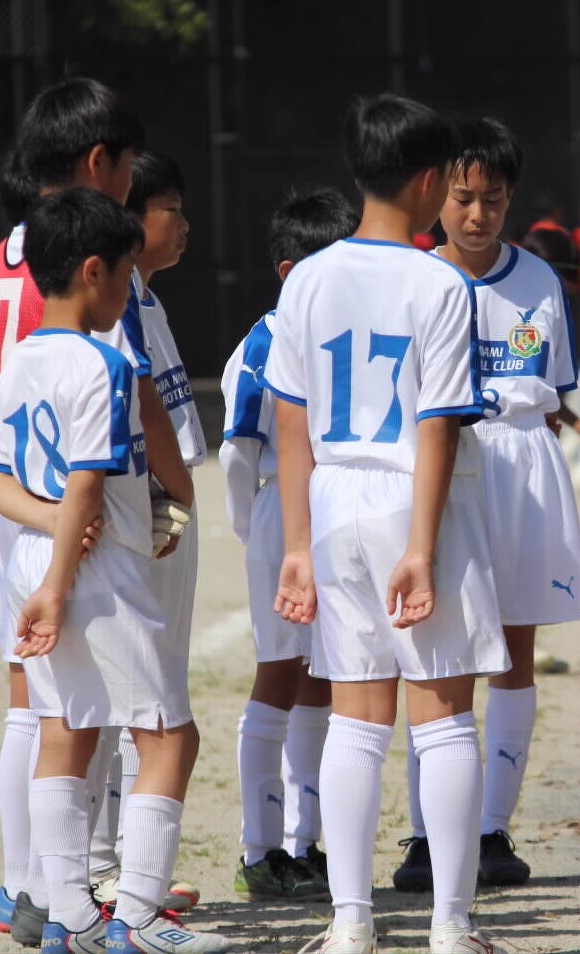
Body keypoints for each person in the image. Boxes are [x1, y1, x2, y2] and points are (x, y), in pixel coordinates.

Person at [262, 92, 511, 954]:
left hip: (333, 501)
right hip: (412, 498)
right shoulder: (440, 281)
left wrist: (297, 545)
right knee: (443, 719)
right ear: (430, 181)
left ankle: (349, 923)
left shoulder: (308, 278)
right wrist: (423, 547)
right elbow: (437, 423)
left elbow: (289, 422)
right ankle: (450, 925)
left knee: (356, 718)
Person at [0, 77, 196, 945]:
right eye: (129, 165)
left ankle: (58, 905)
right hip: (95, 540)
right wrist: (172, 492)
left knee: (55, 719)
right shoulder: (102, 343)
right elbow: (104, 461)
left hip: (32, 527)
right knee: (148, 726)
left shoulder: (11, 275)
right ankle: (121, 909)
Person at [0, 188, 232, 954]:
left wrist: (46, 528)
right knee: (167, 735)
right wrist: (61, 581)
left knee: (64, 730)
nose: (130, 288)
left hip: (35, 560)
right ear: (94, 271)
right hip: (98, 571)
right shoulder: (107, 363)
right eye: (125, 272)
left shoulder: (21, 358)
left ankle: (72, 919)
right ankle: (140, 917)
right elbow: (89, 480)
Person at [391, 118, 580, 893]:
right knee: (438, 657)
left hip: (520, 465)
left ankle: (490, 830)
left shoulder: (539, 281)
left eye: (493, 199)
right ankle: (426, 837)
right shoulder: (412, 279)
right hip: (440, 467)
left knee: (514, 652)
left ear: (511, 199)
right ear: (434, 196)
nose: (477, 214)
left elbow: (551, 392)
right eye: (462, 197)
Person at [221, 186, 356, 900]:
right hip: (281, 508)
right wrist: (256, 531)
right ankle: (260, 848)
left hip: (339, 505)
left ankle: (306, 843)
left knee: (325, 675)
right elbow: (237, 451)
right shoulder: (262, 344)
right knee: (278, 670)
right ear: (287, 273)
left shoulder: (345, 335)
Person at [86, 149, 209, 911]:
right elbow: (137, 399)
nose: (185, 224)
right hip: (146, 504)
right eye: (172, 209)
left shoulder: (145, 297)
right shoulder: (118, 298)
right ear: (133, 219)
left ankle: (128, 864)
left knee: (148, 690)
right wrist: (177, 489)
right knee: (137, 697)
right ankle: (110, 869)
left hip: (159, 498)